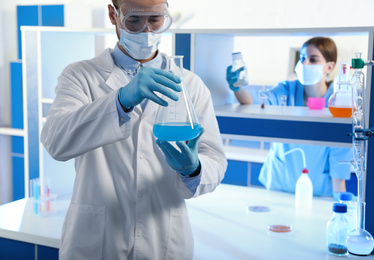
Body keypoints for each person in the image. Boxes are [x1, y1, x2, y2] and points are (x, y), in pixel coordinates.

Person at [41, 0, 227, 259]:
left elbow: (215, 159)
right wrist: (121, 100)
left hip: (164, 239)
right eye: (134, 20)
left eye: (155, 19)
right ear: (113, 14)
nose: (146, 31)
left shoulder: (191, 85)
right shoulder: (79, 76)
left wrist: (193, 168)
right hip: (96, 242)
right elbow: (55, 141)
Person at [226, 37, 352, 198]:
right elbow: (252, 101)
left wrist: (341, 205)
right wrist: (237, 87)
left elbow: (339, 158)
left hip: (317, 194)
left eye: (313, 59)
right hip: (279, 187)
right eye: (302, 58)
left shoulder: (338, 101)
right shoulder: (287, 90)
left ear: (329, 67)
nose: (305, 64)